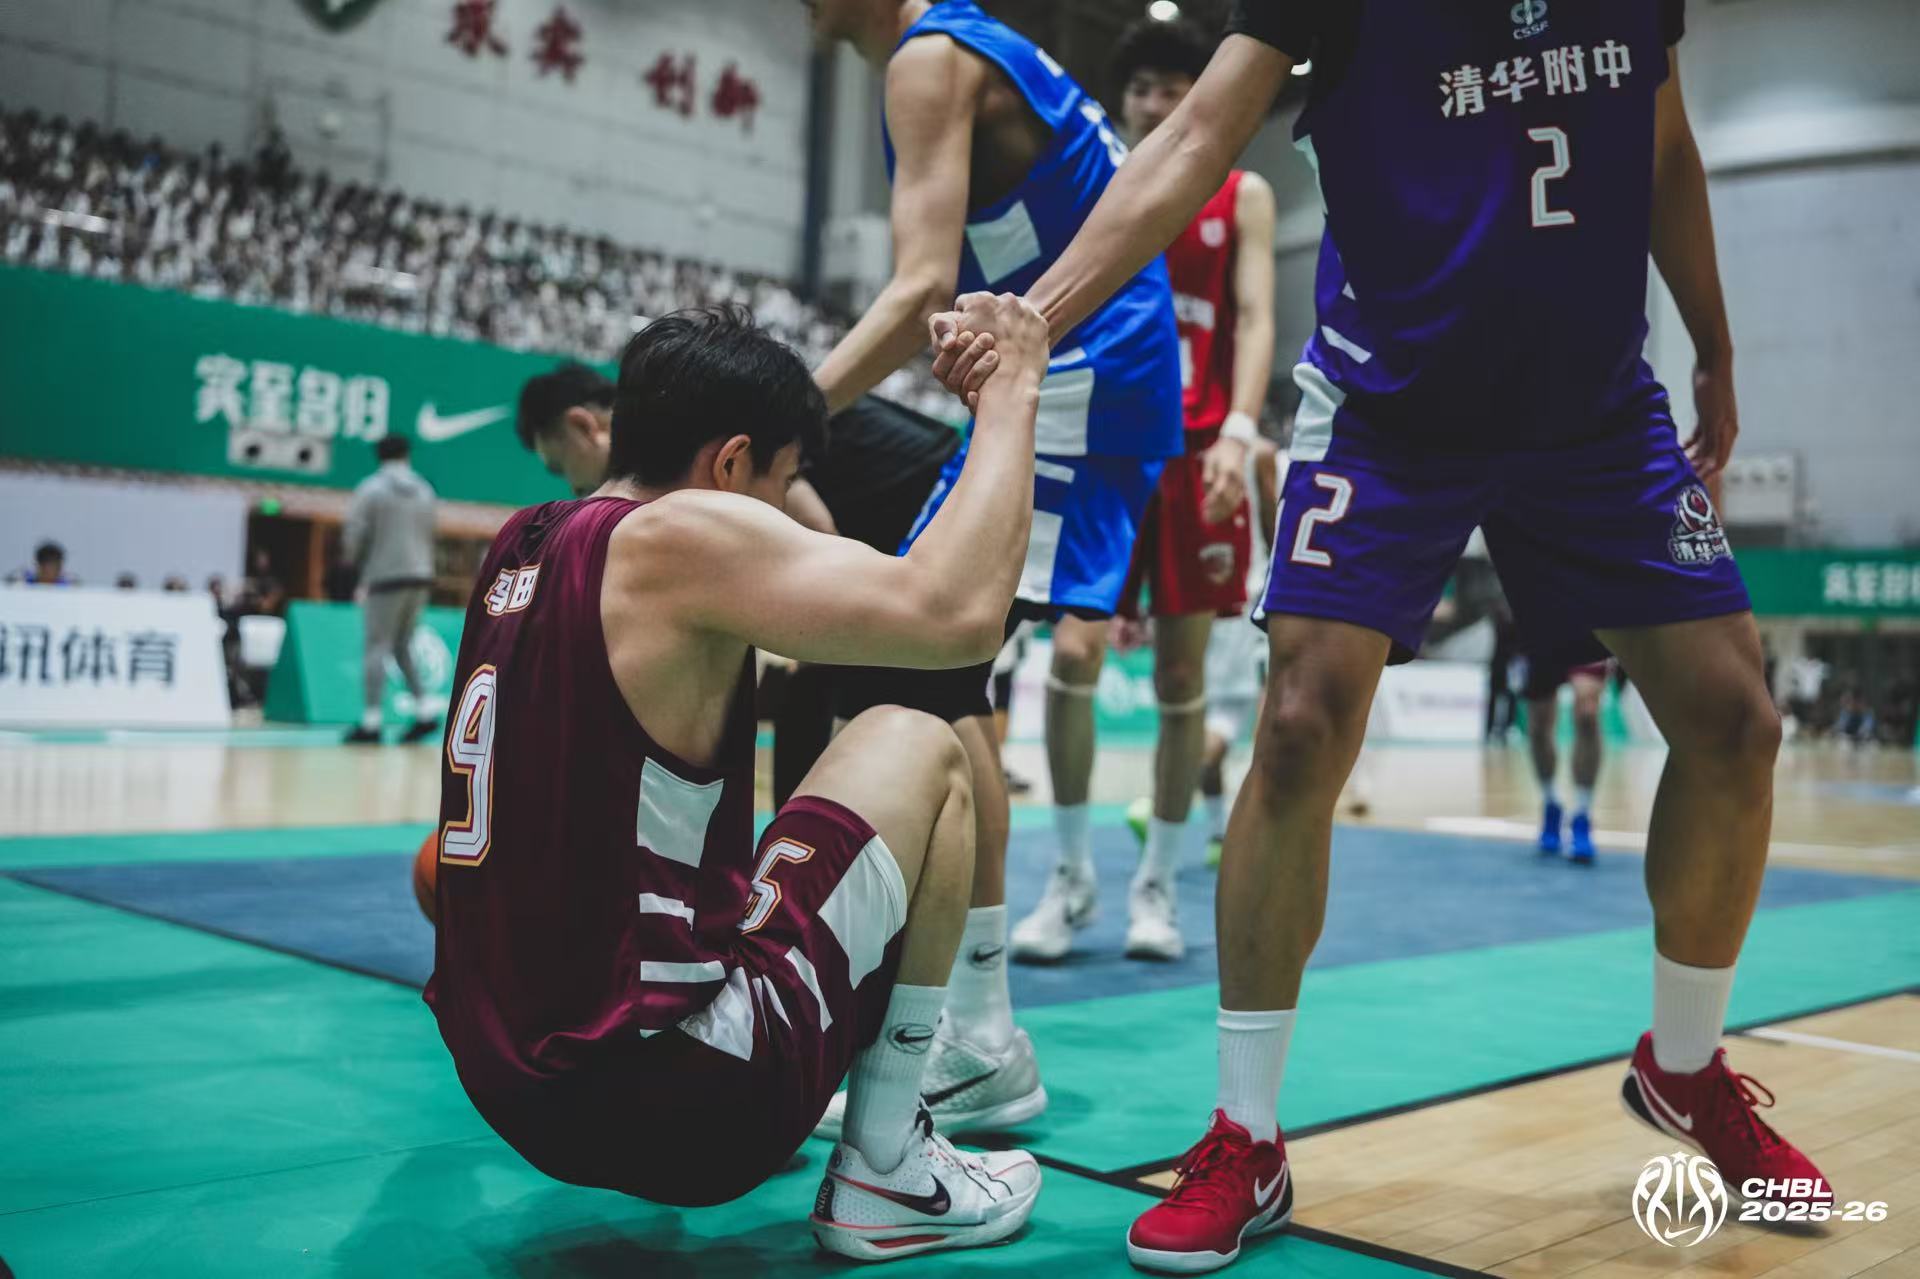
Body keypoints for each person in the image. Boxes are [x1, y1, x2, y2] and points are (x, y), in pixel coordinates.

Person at [929, 2, 1828, 1269]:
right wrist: (1040, 312)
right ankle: (1245, 1136)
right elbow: (1195, 133)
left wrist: (1717, 346)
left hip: (1591, 407)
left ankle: (1684, 1068)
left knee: (1738, 723)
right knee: (1300, 722)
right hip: (1391, 405)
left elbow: (1663, 142)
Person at [422, 301, 1048, 1259]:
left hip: (503, 1081)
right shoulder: (681, 536)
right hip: (676, 1098)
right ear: (730, 465)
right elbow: (958, 616)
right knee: (919, 742)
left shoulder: (524, 540)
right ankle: (888, 1165)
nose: (788, 509)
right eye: (785, 483)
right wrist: (1012, 397)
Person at [807, 0, 1183, 1140]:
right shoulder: (967, 47)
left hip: (1075, 370)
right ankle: (965, 1017)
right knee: (929, 675)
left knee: (917, 667)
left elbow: (920, 288)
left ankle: (978, 1036)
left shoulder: (929, 59)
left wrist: (779, 413)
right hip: (1067, 366)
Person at [1034, 16, 1276, 962]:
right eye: (1142, 88)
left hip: (1199, 448)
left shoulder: (1243, 193)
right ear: (1124, 100)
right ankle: (1069, 876)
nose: (1156, 101)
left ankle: (1158, 887)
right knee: (1072, 654)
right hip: (1103, 445)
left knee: (1182, 679)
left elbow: (1255, 315)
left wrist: (1242, 430)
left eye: (1176, 86)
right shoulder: (1092, 182)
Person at [514, 363, 966, 807]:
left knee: (905, 706)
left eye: (558, 465)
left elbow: (818, 526)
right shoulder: (659, 479)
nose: (571, 484)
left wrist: (789, 637)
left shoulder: (697, 435)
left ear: (582, 426)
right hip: (887, 517)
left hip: (919, 509)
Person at [341, 434, 439, 745]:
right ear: (407, 455)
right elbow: (431, 531)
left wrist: (352, 564)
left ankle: (371, 722)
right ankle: (424, 711)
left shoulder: (371, 489)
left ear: (379, 456)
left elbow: (355, 532)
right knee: (402, 645)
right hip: (420, 576)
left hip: (385, 577)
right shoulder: (425, 490)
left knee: (377, 646)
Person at [1525, 656, 1610, 862]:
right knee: (1538, 723)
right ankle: (1551, 804)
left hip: (1586, 636)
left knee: (1587, 714)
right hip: (1543, 639)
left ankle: (1582, 814)